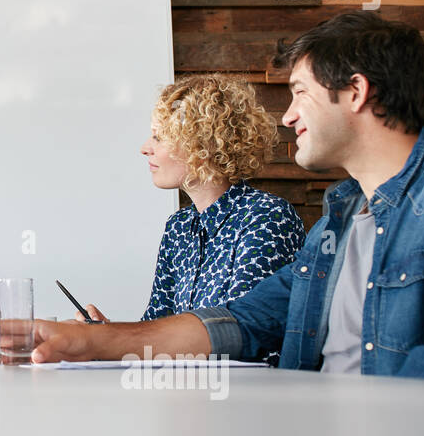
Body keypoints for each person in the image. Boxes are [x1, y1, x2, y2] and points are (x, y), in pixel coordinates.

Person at [34, 11, 424, 383]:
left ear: (355, 92)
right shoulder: (338, 217)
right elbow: (244, 322)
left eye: (299, 93)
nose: (288, 117)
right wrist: (92, 341)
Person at [78, 75, 304, 327]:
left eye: (159, 137)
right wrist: (106, 333)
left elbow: (244, 331)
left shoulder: (266, 217)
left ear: (201, 144)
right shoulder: (178, 227)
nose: (144, 148)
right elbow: (156, 326)